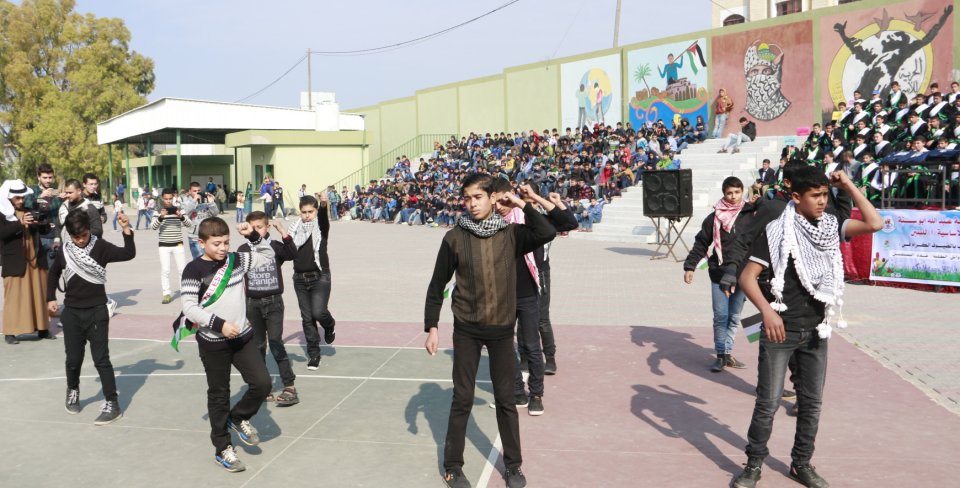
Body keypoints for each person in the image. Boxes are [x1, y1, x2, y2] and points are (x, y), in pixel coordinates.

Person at [731, 167, 882, 488]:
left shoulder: (830, 226)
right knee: (768, 403)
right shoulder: (777, 230)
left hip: (815, 331)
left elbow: (875, 223)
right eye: (815, 196)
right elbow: (747, 277)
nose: (822, 202)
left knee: (811, 404)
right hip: (779, 331)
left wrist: (848, 185)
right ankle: (753, 464)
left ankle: (801, 464)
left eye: (825, 195)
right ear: (797, 196)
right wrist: (767, 313)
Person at [424, 173, 556, 488]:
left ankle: (513, 466)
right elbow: (437, 284)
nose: (471, 204)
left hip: (501, 331)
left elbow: (548, 231)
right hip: (466, 330)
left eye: (478, 197)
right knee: (462, 399)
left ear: (492, 198)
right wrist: (432, 326)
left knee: (506, 401)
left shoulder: (512, 234)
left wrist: (521, 202)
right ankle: (453, 466)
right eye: (467, 198)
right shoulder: (454, 238)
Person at [179, 217, 275, 473]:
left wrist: (253, 236)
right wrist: (218, 324)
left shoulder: (237, 260)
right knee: (219, 395)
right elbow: (189, 307)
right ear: (202, 243)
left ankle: (239, 416)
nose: (223, 248)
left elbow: (268, 256)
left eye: (226, 242)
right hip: (213, 343)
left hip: (242, 338)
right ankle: (222, 448)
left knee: (263, 383)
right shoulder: (193, 270)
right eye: (216, 243)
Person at [47, 208, 135, 424]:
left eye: (84, 235)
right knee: (73, 359)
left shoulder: (101, 247)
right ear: (69, 234)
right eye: (75, 237)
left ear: (89, 230)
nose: (80, 240)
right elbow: (53, 272)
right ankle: (73, 390)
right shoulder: (65, 250)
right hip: (71, 313)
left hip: (96, 311)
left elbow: (128, 253)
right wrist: (50, 297)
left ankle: (112, 403)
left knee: (101, 360)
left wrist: (126, 230)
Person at [683, 177, 755, 372]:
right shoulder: (714, 218)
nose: (733, 196)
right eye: (729, 193)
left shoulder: (751, 214)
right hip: (719, 274)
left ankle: (728, 352)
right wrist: (690, 266)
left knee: (734, 317)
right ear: (724, 194)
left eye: (737, 192)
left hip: (743, 274)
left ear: (742, 191)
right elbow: (701, 243)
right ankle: (721, 355)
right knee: (721, 316)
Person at [238, 211, 299, 406]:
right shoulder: (243, 249)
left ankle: (289, 386)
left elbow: (292, 254)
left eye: (260, 227)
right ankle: (262, 386)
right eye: (252, 227)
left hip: (274, 303)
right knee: (257, 346)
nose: (256, 230)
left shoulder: (274, 246)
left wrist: (283, 232)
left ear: (267, 227)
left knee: (275, 342)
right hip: (252, 304)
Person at [1, 180, 54, 344]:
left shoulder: (30, 210)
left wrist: (43, 223)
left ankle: (42, 329)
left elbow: (44, 230)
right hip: (15, 260)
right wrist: (20, 223)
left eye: (22, 197)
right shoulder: (2, 213)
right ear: (8, 197)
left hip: (35, 259)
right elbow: (2, 233)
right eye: (17, 198)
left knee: (39, 293)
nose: (21, 201)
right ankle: (10, 332)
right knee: (14, 297)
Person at [289, 194, 336, 370]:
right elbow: (286, 251)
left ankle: (329, 325)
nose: (307, 215)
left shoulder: (321, 228)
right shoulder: (294, 230)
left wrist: (324, 205)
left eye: (311, 211)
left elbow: (323, 219)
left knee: (318, 312)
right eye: (304, 212)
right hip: (299, 279)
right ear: (300, 212)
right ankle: (314, 354)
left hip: (320, 276)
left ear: (315, 211)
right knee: (307, 318)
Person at [151, 188, 192, 304]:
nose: (168, 201)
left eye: (170, 199)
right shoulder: (158, 210)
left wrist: (181, 216)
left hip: (178, 244)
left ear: (173, 198)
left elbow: (189, 224)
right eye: (166, 199)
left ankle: (184, 292)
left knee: (182, 270)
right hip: (164, 245)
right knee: (165, 270)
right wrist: (161, 217)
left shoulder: (179, 209)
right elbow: (153, 227)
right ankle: (166, 294)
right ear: (162, 198)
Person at [24, 163, 62, 270]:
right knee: (37, 271)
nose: (48, 180)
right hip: (36, 236)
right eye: (45, 177)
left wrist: (63, 198)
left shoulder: (55, 192)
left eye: (50, 177)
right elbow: (27, 205)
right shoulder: (32, 190)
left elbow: (59, 215)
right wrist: (41, 196)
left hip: (53, 236)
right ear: (38, 177)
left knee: (51, 270)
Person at [181, 182, 220, 259]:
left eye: (198, 190)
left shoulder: (206, 200)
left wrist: (211, 202)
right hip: (195, 238)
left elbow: (215, 213)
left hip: (208, 236)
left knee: (211, 260)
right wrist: (194, 201)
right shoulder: (186, 202)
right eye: (194, 191)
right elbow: (185, 212)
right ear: (190, 191)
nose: (197, 193)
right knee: (199, 261)